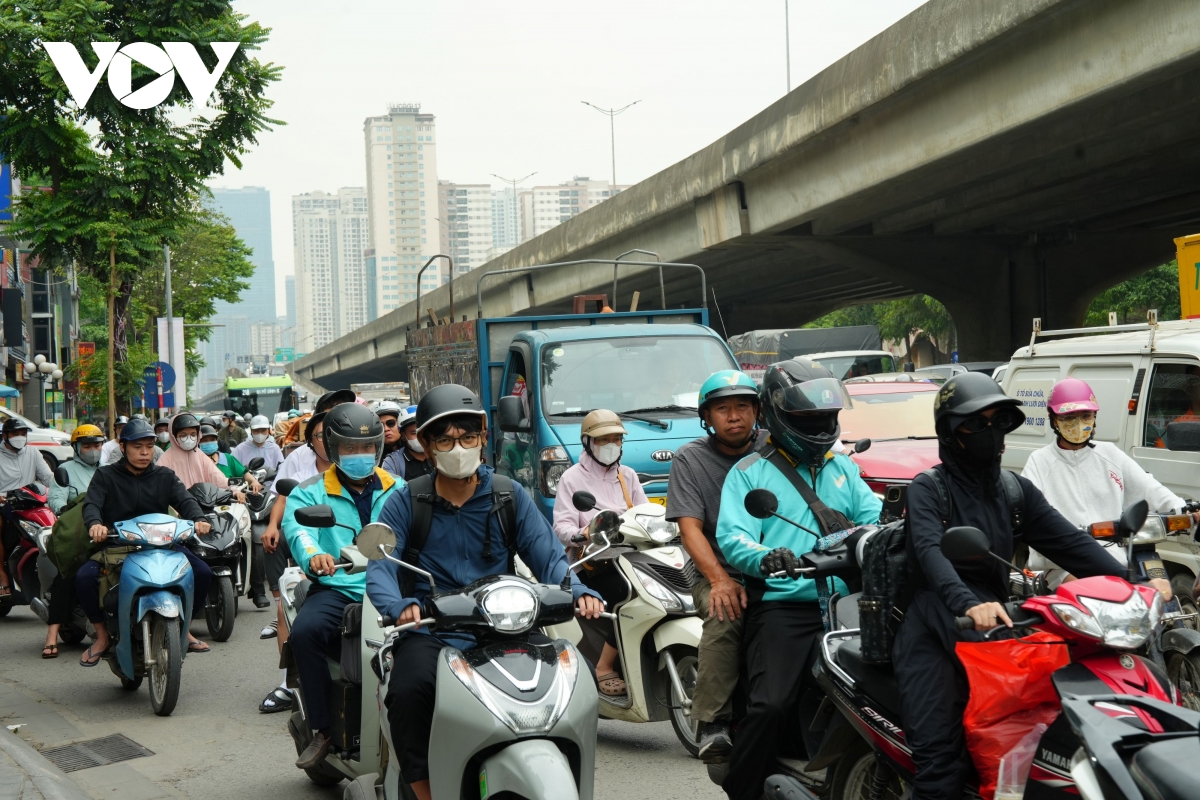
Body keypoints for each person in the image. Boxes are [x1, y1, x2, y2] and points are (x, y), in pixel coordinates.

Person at [895, 373, 1168, 799]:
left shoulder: (1013, 490)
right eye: (974, 423)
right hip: (938, 623)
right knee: (941, 763)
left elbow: (1072, 545)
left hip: (1000, 625)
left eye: (997, 420)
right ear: (951, 433)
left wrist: (1135, 586)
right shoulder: (929, 490)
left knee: (1056, 731)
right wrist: (967, 603)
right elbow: (932, 556)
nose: (989, 433)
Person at [366, 384, 602, 800]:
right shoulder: (406, 503)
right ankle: (424, 790)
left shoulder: (509, 496)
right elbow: (382, 565)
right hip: (431, 630)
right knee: (407, 691)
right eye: (445, 438)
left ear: (482, 438)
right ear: (426, 443)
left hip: (505, 625)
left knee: (575, 677)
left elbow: (549, 557)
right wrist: (398, 605)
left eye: (467, 436)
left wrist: (577, 588)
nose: (458, 447)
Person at [715, 359, 882, 800]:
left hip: (849, 603)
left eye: (827, 418)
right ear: (779, 417)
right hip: (787, 605)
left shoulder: (842, 468)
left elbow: (873, 521)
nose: (821, 426)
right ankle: (743, 789)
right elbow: (733, 538)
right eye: (809, 419)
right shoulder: (749, 473)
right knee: (770, 706)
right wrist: (770, 557)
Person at [284, 403, 399, 769]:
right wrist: (314, 557)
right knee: (304, 633)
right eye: (350, 448)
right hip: (339, 586)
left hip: (392, 586)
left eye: (366, 448)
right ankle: (323, 729)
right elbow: (298, 531)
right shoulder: (310, 492)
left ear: (378, 448)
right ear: (333, 450)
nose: (359, 455)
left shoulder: (401, 490)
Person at [665, 369, 764, 762]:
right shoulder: (690, 459)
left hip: (780, 566)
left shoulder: (777, 448)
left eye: (743, 406)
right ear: (707, 418)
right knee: (725, 616)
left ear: (757, 410)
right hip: (720, 570)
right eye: (723, 409)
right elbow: (690, 531)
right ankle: (713, 721)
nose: (734, 416)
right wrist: (720, 580)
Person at [1022, 377, 1200, 587]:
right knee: (1097, 593)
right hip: (1062, 567)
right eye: (1069, 417)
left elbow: (1148, 487)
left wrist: (1184, 508)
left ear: (1094, 417)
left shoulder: (1110, 455)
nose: (1078, 423)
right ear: (1053, 419)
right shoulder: (1039, 462)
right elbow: (1028, 513)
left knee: (1161, 598)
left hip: (1116, 561)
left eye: (1085, 415)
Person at [76, 419, 215, 665]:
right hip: (118, 546)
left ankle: (184, 628)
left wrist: (199, 519)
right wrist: (95, 525)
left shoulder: (165, 476)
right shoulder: (105, 475)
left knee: (202, 572)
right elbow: (92, 504)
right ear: (122, 447)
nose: (144, 452)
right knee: (85, 578)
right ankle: (101, 636)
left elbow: (185, 501)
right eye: (137, 446)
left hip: (161, 545)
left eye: (149, 447)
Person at [552, 408, 648, 696]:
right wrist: (583, 533)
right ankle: (604, 666)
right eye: (603, 439)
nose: (611, 446)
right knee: (627, 592)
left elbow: (644, 513)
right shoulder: (572, 478)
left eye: (617, 439)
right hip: (592, 562)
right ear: (587, 443)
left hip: (630, 557)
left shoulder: (627, 475)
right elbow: (562, 526)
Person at [42, 424, 105, 657]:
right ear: (77, 448)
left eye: (97, 445)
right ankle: (51, 635)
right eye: (87, 446)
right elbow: (56, 501)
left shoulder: (110, 469)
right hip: (77, 533)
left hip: (105, 532)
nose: (93, 450)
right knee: (68, 575)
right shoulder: (65, 470)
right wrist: (75, 507)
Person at [0, 417, 55, 599]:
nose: (20, 437)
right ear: (5, 435)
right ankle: (2, 574)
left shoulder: (33, 452)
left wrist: (60, 490)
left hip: (32, 505)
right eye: (16, 434)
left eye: (23, 434)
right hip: (5, 507)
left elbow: (48, 479)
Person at [157, 413, 247, 501]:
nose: (189, 439)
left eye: (193, 434)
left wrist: (234, 491)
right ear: (174, 436)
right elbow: (159, 490)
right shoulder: (165, 461)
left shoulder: (200, 456)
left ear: (198, 435)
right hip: (178, 509)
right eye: (183, 435)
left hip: (204, 504)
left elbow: (217, 477)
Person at [382, 406, 432, 480]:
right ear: (403, 435)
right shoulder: (392, 463)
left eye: (424, 431)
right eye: (414, 433)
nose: (421, 437)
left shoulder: (440, 453)